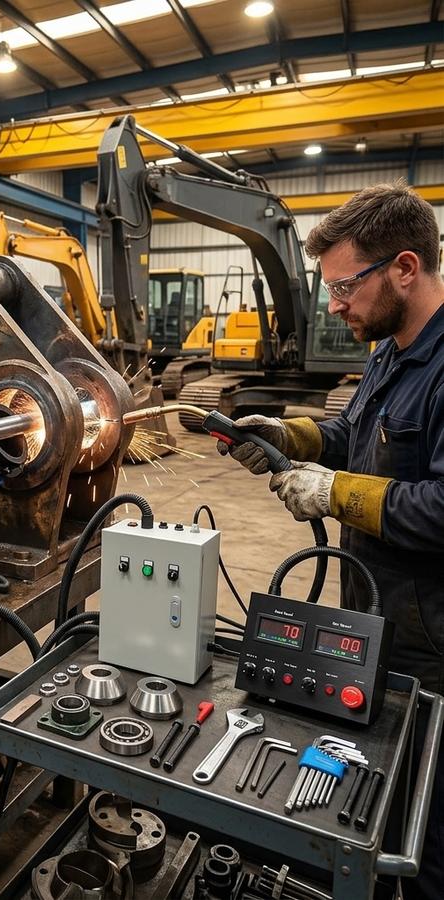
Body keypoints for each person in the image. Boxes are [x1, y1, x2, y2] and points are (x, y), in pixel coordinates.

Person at [219, 180, 443, 898]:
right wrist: (290, 434)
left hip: (435, 651)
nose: (337, 304)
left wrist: (333, 492)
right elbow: (352, 434)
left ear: (404, 269)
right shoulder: (387, 351)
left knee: (426, 825)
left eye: (346, 285)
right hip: (376, 621)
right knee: (371, 802)